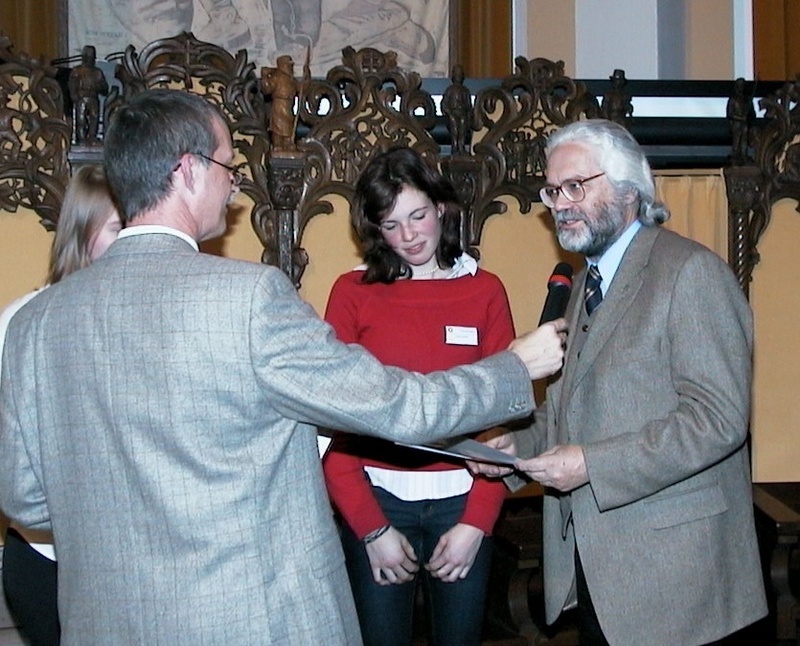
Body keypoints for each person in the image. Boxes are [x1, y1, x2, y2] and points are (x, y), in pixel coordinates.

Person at [0, 89, 567, 645]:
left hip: (107, 619)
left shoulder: (35, 322)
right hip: (252, 614)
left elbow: (24, 494)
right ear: (188, 170)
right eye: (228, 165)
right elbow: (398, 406)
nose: (235, 183)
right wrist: (512, 367)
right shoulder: (248, 298)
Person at [474, 119, 768, 645]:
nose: (560, 203)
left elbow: (719, 420)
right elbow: (571, 408)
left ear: (630, 188)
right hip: (602, 575)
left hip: (682, 584)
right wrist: (511, 449)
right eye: (552, 190)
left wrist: (592, 464)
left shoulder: (690, 273)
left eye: (576, 186)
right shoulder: (584, 283)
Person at [322, 147, 512, 645]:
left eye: (418, 216)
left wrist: (477, 524)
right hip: (377, 502)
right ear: (374, 230)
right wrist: (370, 530)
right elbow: (332, 426)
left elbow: (504, 423)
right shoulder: (351, 293)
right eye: (390, 224)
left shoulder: (485, 291)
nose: (408, 236)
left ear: (441, 207)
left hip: (464, 499)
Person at [0, 165, 121, 646]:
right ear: (82, 231)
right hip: (46, 558)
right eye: (117, 229)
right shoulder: (24, 320)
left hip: (122, 561)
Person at [68, 45, 109, 145]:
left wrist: (100, 86)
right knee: (81, 119)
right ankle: (81, 138)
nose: (90, 59)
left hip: (93, 98)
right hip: (81, 98)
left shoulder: (97, 72)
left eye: (92, 57)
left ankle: (92, 137)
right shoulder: (77, 71)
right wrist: (74, 95)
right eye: (88, 56)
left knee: (94, 118)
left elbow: (105, 88)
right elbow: (72, 84)